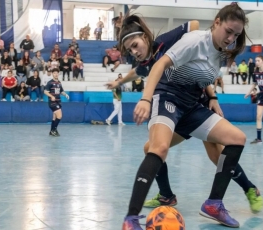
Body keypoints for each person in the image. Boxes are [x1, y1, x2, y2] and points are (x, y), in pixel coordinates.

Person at [106, 4, 249, 228]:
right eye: (228, 31)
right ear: (217, 22)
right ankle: (131, 219)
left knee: (237, 138)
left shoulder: (218, 52)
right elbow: (158, 65)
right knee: (157, 148)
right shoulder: (193, 41)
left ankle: (213, 203)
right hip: (168, 97)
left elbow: (202, 76)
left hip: (192, 105)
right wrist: (144, 98)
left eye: (236, 35)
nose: (231, 38)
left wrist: (213, 97)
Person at [142, 88, 263, 213]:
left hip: (198, 111)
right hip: (178, 113)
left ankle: (250, 188)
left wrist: (213, 97)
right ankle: (166, 195)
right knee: (150, 149)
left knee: (217, 157)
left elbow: (205, 76)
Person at [44, 68, 69, 137]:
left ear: (58, 74)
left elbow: (61, 91)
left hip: (58, 101)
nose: (56, 74)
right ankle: (53, 130)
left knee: (54, 117)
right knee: (60, 116)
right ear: (52, 74)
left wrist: (65, 94)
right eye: (54, 73)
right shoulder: (50, 83)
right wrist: (51, 96)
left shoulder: (59, 82)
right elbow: (45, 92)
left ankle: (51, 131)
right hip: (52, 103)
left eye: (57, 73)